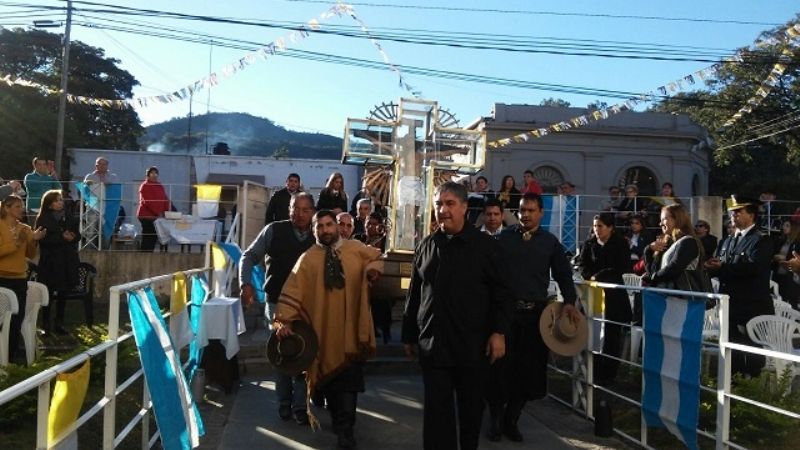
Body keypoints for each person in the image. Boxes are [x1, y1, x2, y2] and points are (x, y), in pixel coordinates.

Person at [402, 181, 513, 450]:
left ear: (464, 207)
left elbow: (503, 293)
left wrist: (499, 332)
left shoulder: (486, 247)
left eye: (450, 204)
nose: (443, 210)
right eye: (439, 204)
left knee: (471, 413)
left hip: (472, 348)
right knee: (437, 417)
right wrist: (409, 335)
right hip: (434, 346)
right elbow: (415, 294)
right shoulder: (426, 246)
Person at [273, 210, 383, 448]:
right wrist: (284, 320)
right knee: (331, 386)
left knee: (349, 384)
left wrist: (372, 270)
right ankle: (340, 424)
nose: (325, 230)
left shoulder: (355, 248)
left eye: (328, 225)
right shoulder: (308, 259)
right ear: (314, 230)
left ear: (337, 226)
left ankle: (346, 431)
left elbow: (376, 256)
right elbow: (292, 290)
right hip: (324, 334)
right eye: (319, 226)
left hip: (352, 332)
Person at [487, 193, 578, 442]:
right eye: (521, 210)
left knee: (529, 373)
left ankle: (511, 420)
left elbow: (563, 274)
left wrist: (569, 301)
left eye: (530, 210)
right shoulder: (504, 238)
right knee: (499, 369)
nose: (525, 214)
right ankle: (494, 420)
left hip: (535, 318)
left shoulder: (550, 242)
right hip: (505, 315)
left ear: (541, 213)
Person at [239, 192, 315, 423]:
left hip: (307, 305)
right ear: (288, 208)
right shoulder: (273, 231)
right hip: (276, 303)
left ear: (312, 211)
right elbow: (249, 256)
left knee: (305, 351)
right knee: (283, 349)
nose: (299, 214)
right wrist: (245, 283)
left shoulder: (318, 235)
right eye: (294, 208)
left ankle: (301, 406)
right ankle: (284, 402)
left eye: (304, 210)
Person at [704, 195, 774, 376]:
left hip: (751, 306)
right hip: (730, 305)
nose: (733, 215)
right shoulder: (727, 241)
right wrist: (710, 267)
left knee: (752, 353)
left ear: (751, 215)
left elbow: (755, 268)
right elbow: (720, 266)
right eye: (732, 212)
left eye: (738, 212)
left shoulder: (761, 240)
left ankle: (750, 393)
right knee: (731, 352)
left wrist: (724, 267)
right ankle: (732, 387)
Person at [574, 213, 631, 382]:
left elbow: (622, 266)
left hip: (613, 296)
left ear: (610, 227)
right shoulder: (590, 244)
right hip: (593, 295)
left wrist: (599, 276)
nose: (596, 230)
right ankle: (593, 371)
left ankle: (609, 374)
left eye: (600, 226)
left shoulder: (620, 243)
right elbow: (582, 265)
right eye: (595, 226)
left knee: (612, 336)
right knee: (593, 332)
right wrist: (590, 276)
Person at [0, 195, 45, 362]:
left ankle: (10, 359)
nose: (22, 209)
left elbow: (31, 254)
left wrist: (34, 241)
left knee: (16, 320)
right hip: (1, 278)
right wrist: (16, 244)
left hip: (19, 280)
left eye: (22, 206)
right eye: (18, 206)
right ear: (7, 208)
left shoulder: (25, 228)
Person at [35, 190, 81, 334]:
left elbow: (78, 235)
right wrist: (62, 238)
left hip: (67, 260)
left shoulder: (70, 217)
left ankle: (59, 323)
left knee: (63, 293)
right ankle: (46, 324)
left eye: (61, 199)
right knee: (47, 293)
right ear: (49, 204)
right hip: (50, 262)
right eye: (57, 200)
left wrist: (72, 237)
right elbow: (42, 240)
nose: (61, 202)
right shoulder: (42, 218)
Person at [642, 204, 707, 290]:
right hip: (663, 296)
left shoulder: (688, 242)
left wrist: (652, 278)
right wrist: (648, 250)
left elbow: (674, 269)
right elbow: (652, 271)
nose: (660, 223)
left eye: (664, 219)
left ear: (677, 219)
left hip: (682, 298)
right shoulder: (666, 242)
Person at [83, 156, 119, 249]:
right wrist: (88, 184)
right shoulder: (89, 176)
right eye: (100, 164)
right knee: (90, 231)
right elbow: (84, 190)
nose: (102, 166)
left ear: (107, 165)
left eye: (104, 164)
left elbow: (115, 189)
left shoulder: (113, 177)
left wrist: (102, 185)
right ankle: (89, 254)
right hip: (93, 207)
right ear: (96, 165)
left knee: (106, 232)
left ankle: (105, 253)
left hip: (108, 207)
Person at [136, 167, 171, 252]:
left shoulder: (159, 186)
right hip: (146, 215)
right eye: (152, 173)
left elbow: (165, 199)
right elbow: (148, 201)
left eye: (156, 173)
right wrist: (158, 213)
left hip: (157, 216)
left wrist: (167, 211)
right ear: (148, 175)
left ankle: (149, 253)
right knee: (148, 236)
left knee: (153, 237)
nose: (154, 175)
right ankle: (144, 255)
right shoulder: (145, 185)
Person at [771, 218, 800, 309]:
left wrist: (784, 258)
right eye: (784, 225)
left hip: (790, 275)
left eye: (787, 225)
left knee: (791, 300)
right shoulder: (781, 240)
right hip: (779, 273)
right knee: (780, 299)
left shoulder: (797, 243)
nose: (784, 227)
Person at [24, 157, 61, 223]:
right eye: (39, 164)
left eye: (44, 164)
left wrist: (54, 176)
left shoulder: (49, 178)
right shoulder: (29, 176)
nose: (42, 166)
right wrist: (45, 175)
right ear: (34, 165)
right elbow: (34, 187)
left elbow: (58, 189)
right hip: (34, 209)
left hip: (47, 208)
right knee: (34, 230)